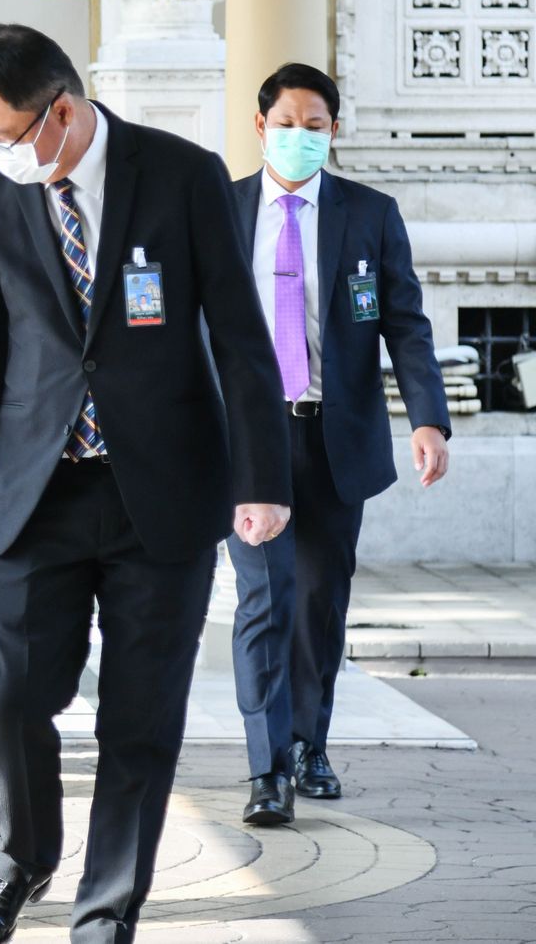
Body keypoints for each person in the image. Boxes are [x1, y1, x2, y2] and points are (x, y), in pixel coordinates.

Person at [0, 24, 292, 944]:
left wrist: (263, 479)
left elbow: (242, 338)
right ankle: (20, 859)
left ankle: (106, 909)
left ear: (60, 112)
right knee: (8, 701)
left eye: (5, 135)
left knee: (139, 717)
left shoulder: (181, 174)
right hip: (34, 492)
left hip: (162, 494)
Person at [227, 62, 450, 826]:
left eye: (314, 126)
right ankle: (266, 769)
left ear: (333, 131)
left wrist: (427, 417)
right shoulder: (222, 212)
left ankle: (307, 743)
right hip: (251, 442)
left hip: (336, 439)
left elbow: (406, 324)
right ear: (261, 127)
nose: (298, 138)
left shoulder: (369, 214)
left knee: (319, 601)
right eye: (285, 124)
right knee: (263, 598)